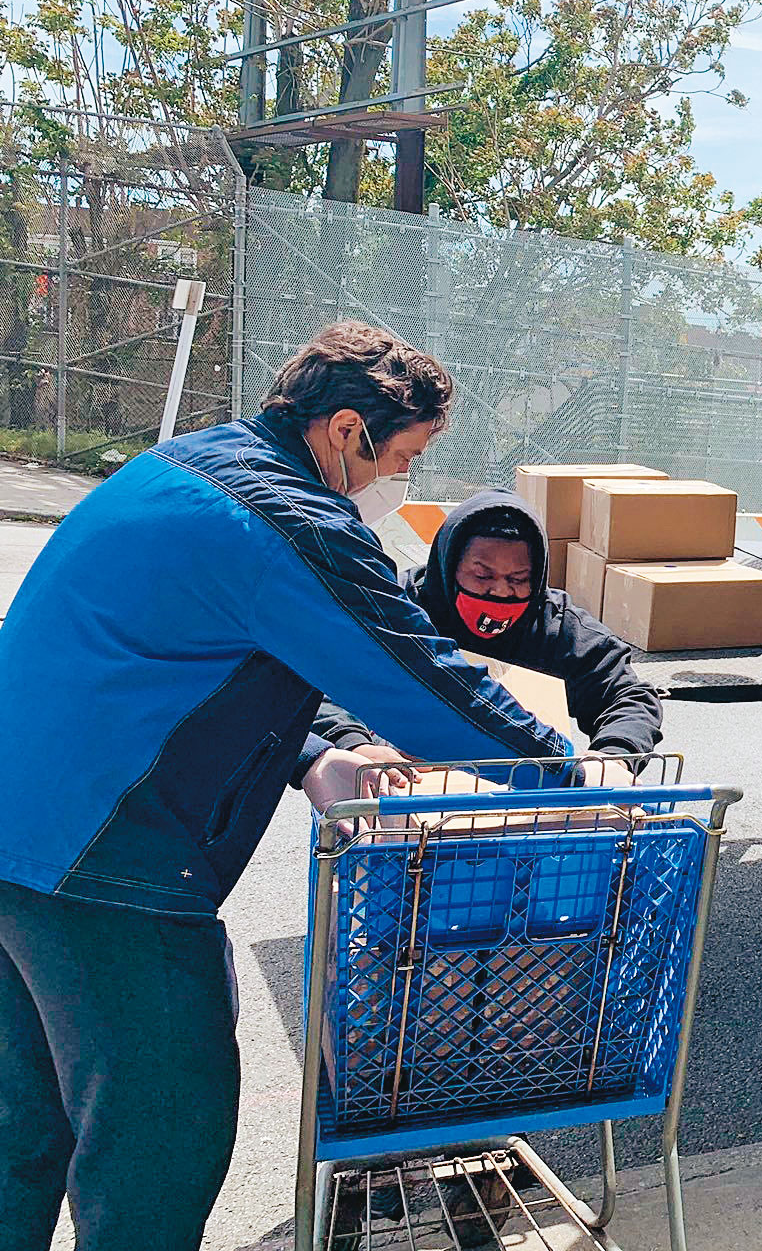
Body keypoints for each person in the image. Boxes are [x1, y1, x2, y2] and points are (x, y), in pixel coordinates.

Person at [0, 322, 650, 1251]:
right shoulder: (287, 519)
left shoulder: (181, 467)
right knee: (161, 1133)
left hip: (23, 836)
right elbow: (420, 681)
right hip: (108, 859)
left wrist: (310, 756)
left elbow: (184, 662)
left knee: (25, 1126)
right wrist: (570, 775)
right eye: (405, 457)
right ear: (346, 430)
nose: (402, 481)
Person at [313, 488, 663, 761]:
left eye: (518, 579)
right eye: (482, 575)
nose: (500, 591)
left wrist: (615, 755)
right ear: (448, 566)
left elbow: (627, 695)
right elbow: (324, 675)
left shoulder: (557, 626)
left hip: (518, 802)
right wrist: (354, 743)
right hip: (400, 788)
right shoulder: (396, 607)